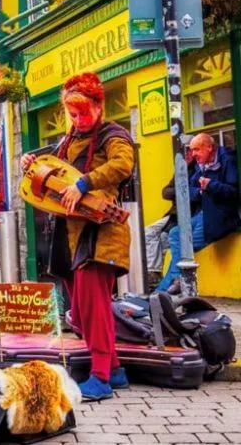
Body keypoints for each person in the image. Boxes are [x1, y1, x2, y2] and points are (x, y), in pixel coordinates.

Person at [20, 72, 134, 402]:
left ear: (99, 106)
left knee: (94, 308)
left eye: (84, 113)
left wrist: (84, 183)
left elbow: (123, 164)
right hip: (69, 235)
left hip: (101, 232)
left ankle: (100, 377)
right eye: (72, 114)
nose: (78, 119)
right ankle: (113, 369)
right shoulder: (68, 140)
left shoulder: (113, 134)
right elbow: (51, 168)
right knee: (80, 313)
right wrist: (32, 163)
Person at [155, 132, 239, 293]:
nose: (193, 154)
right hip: (204, 212)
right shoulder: (202, 164)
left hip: (219, 216)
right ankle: (174, 282)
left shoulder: (227, 161)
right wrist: (201, 192)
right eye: (191, 150)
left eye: (196, 149)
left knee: (183, 247)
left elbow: (234, 192)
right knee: (174, 234)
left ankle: (166, 288)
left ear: (210, 147)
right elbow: (189, 188)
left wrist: (210, 186)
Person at [143, 137, 196, 289]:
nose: (186, 156)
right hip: (173, 214)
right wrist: (180, 191)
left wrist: (181, 192)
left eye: (189, 152)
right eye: (184, 152)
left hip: (187, 215)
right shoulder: (181, 168)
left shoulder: (197, 170)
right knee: (148, 233)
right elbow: (165, 192)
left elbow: (193, 195)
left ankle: (161, 280)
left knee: (165, 238)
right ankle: (153, 273)